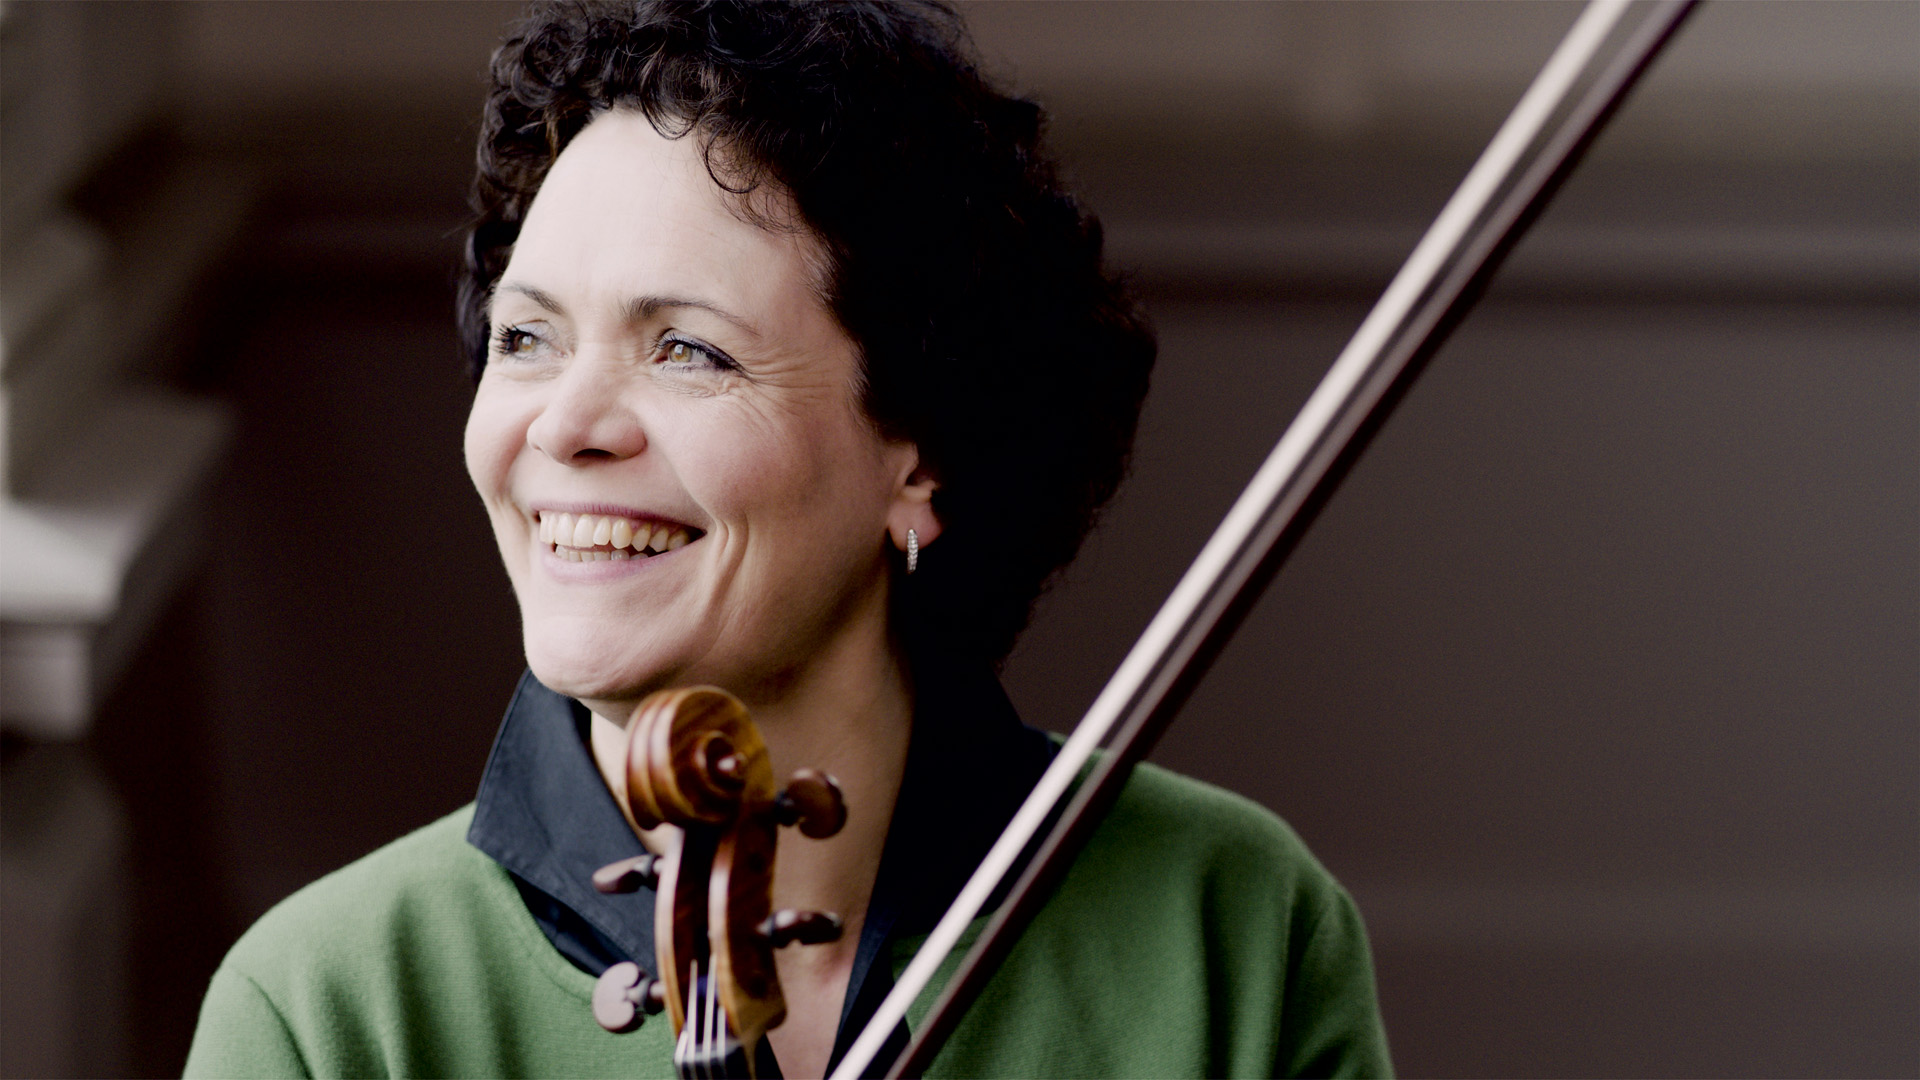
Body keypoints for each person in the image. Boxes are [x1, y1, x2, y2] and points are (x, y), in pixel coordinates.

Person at [185, 2, 1391, 1076]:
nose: (564, 426)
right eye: (526, 339)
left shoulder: (1233, 934)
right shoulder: (328, 1016)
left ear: (920, 453)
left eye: (687, 350)